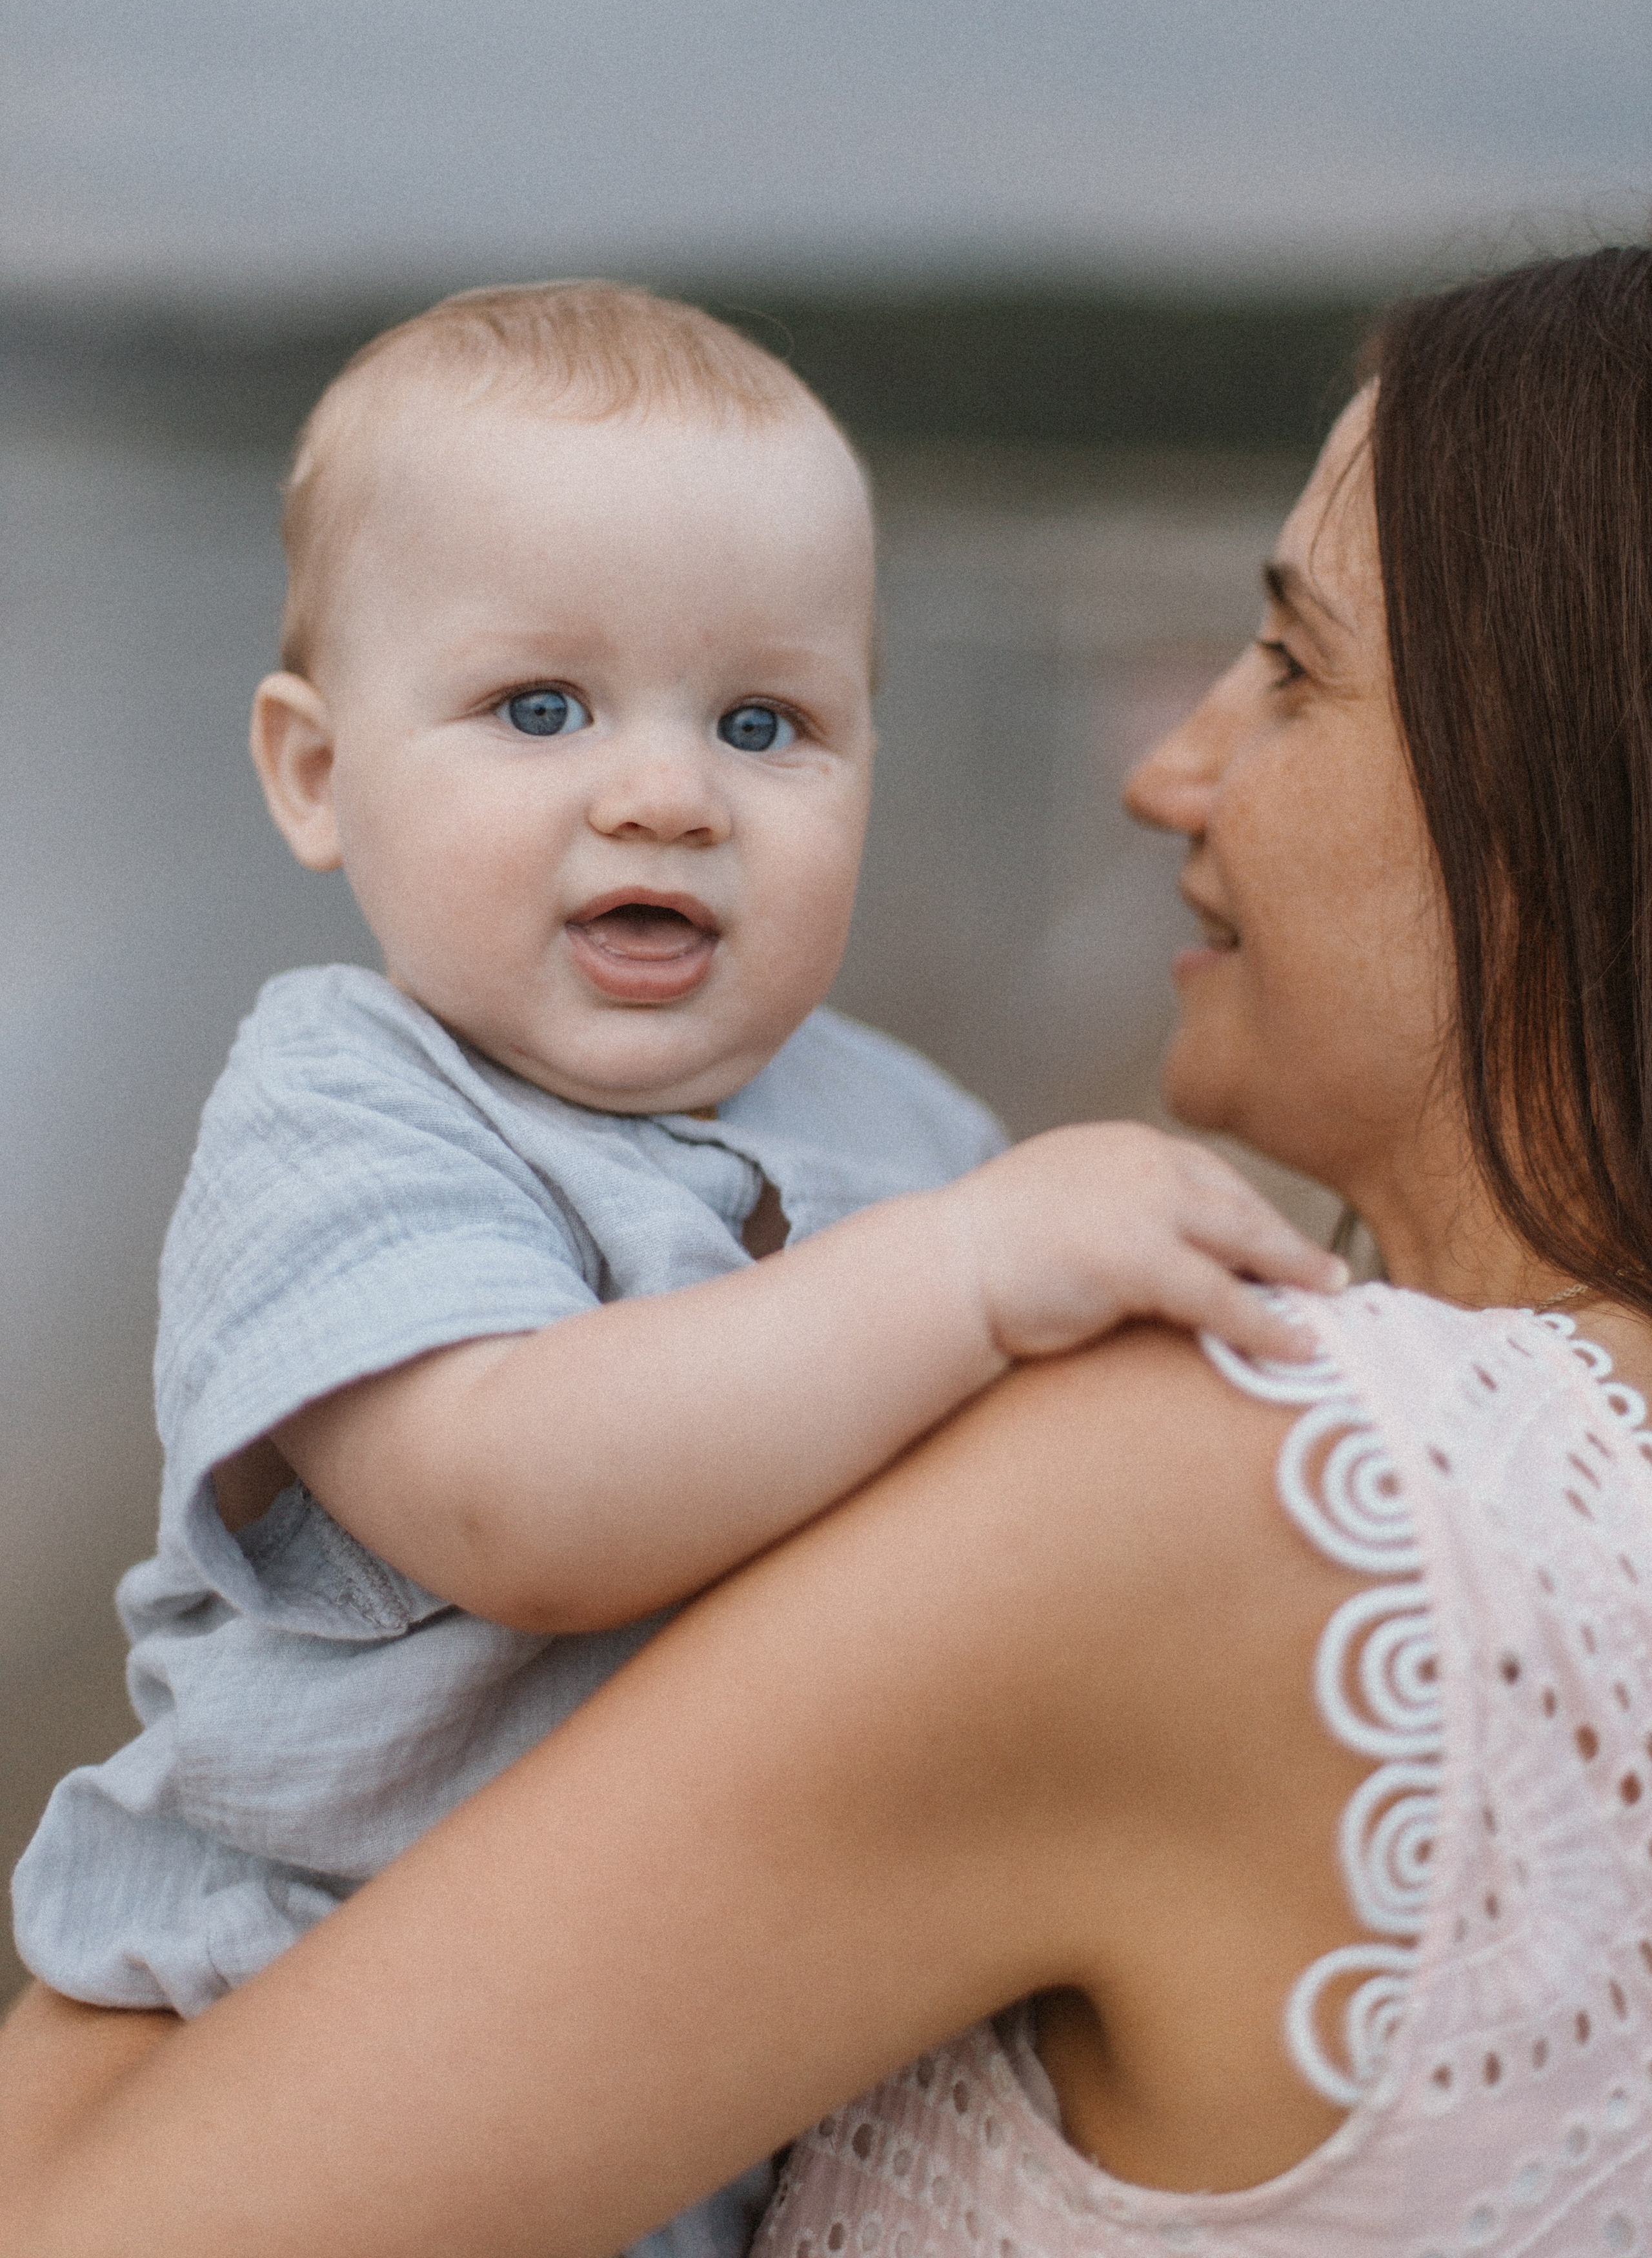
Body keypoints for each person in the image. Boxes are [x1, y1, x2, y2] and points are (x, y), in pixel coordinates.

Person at [5, 245, 1651, 2255]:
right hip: (267, 1965)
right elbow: (508, 1496)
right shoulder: (356, 1100)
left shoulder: (1085, 1351)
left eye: (769, 727)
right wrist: (962, 1274)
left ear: (1581, 779)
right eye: (540, 707)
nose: (664, 798)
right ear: (315, 773)